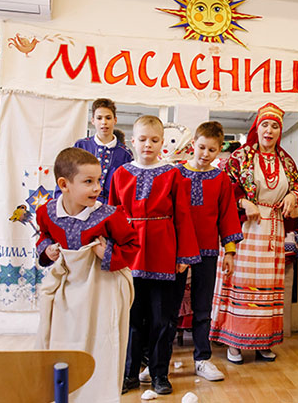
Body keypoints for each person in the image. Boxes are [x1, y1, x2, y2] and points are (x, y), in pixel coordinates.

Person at [35, 148, 138, 403]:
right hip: (68, 290)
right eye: (88, 182)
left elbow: (132, 245)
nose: (97, 188)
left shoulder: (109, 215)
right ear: (64, 185)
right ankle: (65, 393)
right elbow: (44, 236)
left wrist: (107, 253)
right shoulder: (47, 213)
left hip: (101, 288)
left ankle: (98, 395)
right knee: (65, 339)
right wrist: (46, 250)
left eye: (99, 180)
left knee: (100, 341)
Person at [110, 115, 201, 396]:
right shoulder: (120, 174)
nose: (147, 145)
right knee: (132, 318)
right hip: (131, 255)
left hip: (165, 254)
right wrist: (113, 254)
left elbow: (183, 215)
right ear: (132, 141)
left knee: (163, 319)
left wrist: (184, 255)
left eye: (154, 140)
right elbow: (113, 215)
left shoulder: (174, 175)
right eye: (142, 139)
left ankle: (160, 374)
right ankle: (129, 374)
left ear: (162, 142)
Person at [210, 102, 298, 363]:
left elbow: (297, 185)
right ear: (257, 128)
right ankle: (234, 341)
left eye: (275, 126)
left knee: (268, 287)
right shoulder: (240, 157)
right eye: (265, 125)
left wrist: (293, 195)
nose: (269, 130)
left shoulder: (286, 160)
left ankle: (263, 340)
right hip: (245, 228)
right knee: (240, 281)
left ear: (280, 131)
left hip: (273, 228)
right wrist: (243, 201)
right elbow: (225, 186)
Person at [175, 121, 243, 382]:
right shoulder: (175, 174)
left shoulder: (221, 179)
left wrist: (230, 252)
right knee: (170, 307)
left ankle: (202, 359)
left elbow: (227, 215)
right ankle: (157, 363)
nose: (205, 153)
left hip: (207, 251)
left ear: (219, 151)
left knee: (203, 308)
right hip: (178, 251)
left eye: (212, 150)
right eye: (202, 147)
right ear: (194, 143)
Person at [62, 98, 132, 203]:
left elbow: (128, 188)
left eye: (108, 118)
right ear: (93, 120)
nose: (104, 122)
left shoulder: (125, 154)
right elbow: (66, 175)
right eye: (99, 118)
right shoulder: (81, 146)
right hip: (82, 205)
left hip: (111, 207)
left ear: (115, 120)